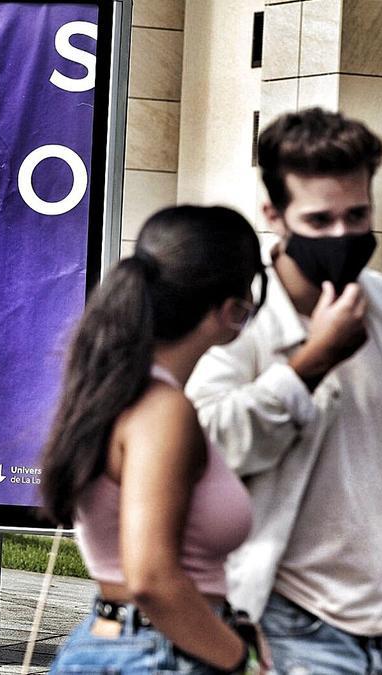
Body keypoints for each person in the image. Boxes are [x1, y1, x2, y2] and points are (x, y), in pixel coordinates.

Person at [187, 108, 382, 675]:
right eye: (320, 221)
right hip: (276, 621)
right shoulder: (233, 318)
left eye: (357, 215)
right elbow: (204, 444)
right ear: (275, 214)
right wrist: (313, 362)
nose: (342, 235)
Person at [41, 206, 269, 674]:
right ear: (233, 306)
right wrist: (240, 662)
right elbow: (152, 578)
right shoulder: (163, 411)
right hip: (159, 654)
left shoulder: (116, 389)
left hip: (127, 641)